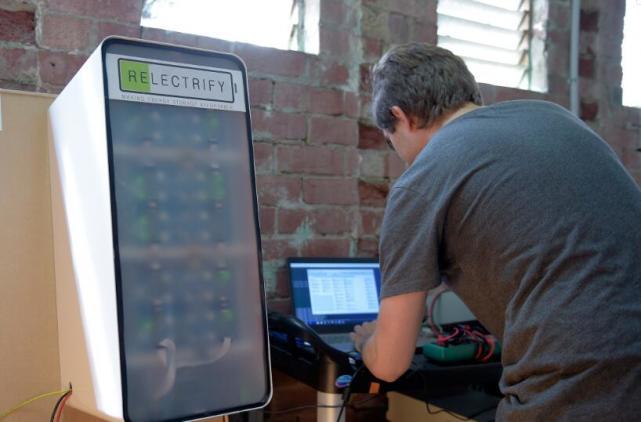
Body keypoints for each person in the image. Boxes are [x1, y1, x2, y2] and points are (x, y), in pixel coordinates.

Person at [349, 42, 641, 421]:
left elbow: (390, 363)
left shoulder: (420, 180)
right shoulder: (554, 117)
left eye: (392, 143)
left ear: (400, 116)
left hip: (575, 391)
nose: (404, 158)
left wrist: (369, 341)